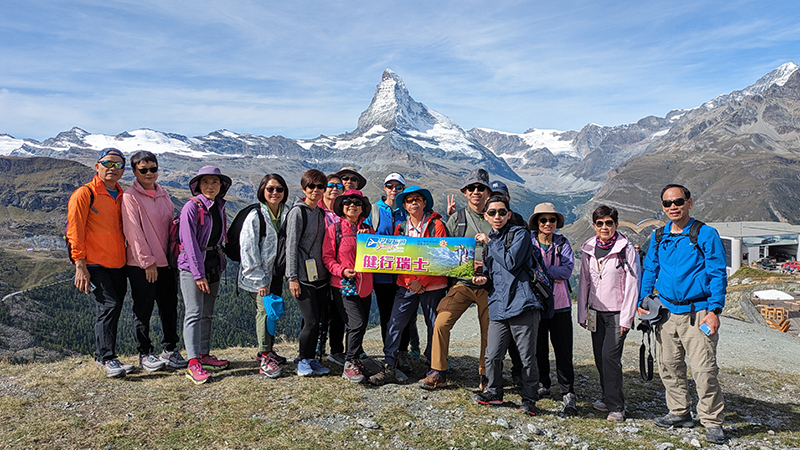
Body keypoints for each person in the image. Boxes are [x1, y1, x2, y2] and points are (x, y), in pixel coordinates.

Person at [638, 184, 728, 445]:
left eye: (678, 201)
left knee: (704, 370)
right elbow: (650, 269)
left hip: (698, 312)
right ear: (662, 207)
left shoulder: (706, 234)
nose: (673, 207)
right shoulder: (659, 236)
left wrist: (715, 310)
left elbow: (717, 273)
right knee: (669, 365)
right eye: (667, 203)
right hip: (666, 312)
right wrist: (643, 299)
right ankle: (679, 412)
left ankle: (712, 421)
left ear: (689, 202)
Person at [421, 168, 492, 391]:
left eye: (480, 188)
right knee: (441, 322)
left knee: (489, 329)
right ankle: (438, 371)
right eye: (471, 188)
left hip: (490, 285)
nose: (476, 191)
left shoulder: (496, 216)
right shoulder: (457, 219)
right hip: (462, 283)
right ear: (465, 192)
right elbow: (445, 250)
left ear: (488, 192)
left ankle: (486, 374)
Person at [472, 196, 544, 416]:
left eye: (502, 212)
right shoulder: (491, 243)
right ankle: (494, 392)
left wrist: (489, 242)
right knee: (492, 355)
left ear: (509, 214)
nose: (497, 216)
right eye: (492, 213)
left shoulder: (520, 234)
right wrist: (483, 280)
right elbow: (493, 274)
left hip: (522, 304)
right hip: (498, 305)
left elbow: (511, 262)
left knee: (527, 358)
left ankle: (529, 399)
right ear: (486, 216)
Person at [370, 186, 448, 385]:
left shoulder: (437, 225)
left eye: (418, 199)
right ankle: (389, 364)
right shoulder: (401, 228)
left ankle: (435, 367)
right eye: (409, 200)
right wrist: (409, 282)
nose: (414, 202)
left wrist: (420, 282)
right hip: (406, 285)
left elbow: (439, 257)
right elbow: (398, 258)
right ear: (404, 205)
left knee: (434, 326)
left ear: (424, 203)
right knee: (395, 322)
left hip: (433, 285)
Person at [67, 148, 133, 378]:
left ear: (123, 170)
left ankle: (107, 357)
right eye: (107, 163)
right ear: (97, 166)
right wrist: (80, 265)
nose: (112, 168)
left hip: (119, 263)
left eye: (118, 165)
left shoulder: (123, 195)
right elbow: (74, 231)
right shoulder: (85, 193)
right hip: (94, 264)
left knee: (113, 308)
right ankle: (105, 358)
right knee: (109, 306)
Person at [121, 151, 184, 373]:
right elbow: (133, 231)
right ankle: (145, 353)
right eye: (143, 169)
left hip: (166, 263)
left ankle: (169, 350)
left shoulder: (164, 194)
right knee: (143, 309)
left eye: (153, 169)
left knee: (169, 307)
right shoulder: (130, 196)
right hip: (142, 265)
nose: (149, 173)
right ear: (134, 171)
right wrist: (147, 261)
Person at [577, 205, 640, 421]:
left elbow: (633, 284)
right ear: (594, 226)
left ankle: (617, 407)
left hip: (617, 313)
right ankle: (606, 397)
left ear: (616, 224)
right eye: (600, 223)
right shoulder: (589, 249)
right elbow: (584, 281)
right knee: (599, 358)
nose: (604, 227)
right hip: (596, 313)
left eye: (609, 223)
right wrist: (582, 313)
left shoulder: (626, 249)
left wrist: (627, 318)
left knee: (610, 358)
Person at [178, 166, 232, 384]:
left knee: (207, 313)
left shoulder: (218, 206)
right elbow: (189, 243)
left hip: (213, 263)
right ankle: (193, 363)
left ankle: (204, 354)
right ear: (198, 186)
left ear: (221, 185)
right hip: (193, 267)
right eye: (206, 182)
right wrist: (198, 274)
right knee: (194, 312)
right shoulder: (191, 207)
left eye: (215, 182)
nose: (211, 186)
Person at [364, 173, 420, 360]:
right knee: (387, 315)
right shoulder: (374, 210)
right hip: (382, 275)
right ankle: (389, 353)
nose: (394, 190)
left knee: (406, 316)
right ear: (384, 188)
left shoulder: (407, 210)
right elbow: (364, 235)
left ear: (403, 189)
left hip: (405, 273)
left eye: (398, 187)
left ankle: (403, 352)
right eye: (390, 186)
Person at [528, 202, 577, 415]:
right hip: (537, 304)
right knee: (538, 348)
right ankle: (543, 383)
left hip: (560, 305)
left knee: (563, 350)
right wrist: (552, 272)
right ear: (537, 222)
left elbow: (567, 271)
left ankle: (567, 390)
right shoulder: (529, 241)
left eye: (552, 219)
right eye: (543, 220)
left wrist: (542, 271)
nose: (548, 223)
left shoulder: (562, 242)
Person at [238, 173, 289, 379]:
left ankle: (268, 350)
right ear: (262, 191)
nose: (275, 192)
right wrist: (259, 280)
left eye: (279, 189)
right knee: (265, 312)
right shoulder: (255, 216)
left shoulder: (286, 212)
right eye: (270, 189)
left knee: (272, 311)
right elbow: (248, 250)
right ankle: (265, 357)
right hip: (258, 277)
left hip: (276, 274)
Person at [322, 190, 374, 382]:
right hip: (343, 284)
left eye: (357, 203)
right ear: (342, 207)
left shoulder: (369, 230)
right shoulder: (334, 230)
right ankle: (350, 363)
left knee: (361, 324)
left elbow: (377, 256)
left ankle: (355, 359)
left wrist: (368, 240)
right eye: (347, 202)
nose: (352, 205)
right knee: (356, 323)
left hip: (365, 285)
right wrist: (341, 271)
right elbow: (327, 258)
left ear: (362, 208)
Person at [287, 169, 331, 377]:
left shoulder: (320, 213)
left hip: (320, 276)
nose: (316, 190)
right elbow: (291, 246)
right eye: (311, 186)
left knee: (316, 321)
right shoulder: (298, 212)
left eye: (320, 186)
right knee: (311, 321)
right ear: (304, 188)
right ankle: (302, 360)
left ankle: (311, 359)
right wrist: (292, 278)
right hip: (303, 278)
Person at [317, 173, 347, 364]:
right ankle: (314, 350)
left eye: (339, 186)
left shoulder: (344, 212)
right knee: (317, 311)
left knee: (338, 310)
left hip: (339, 269)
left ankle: (336, 350)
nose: (334, 189)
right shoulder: (315, 210)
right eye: (330, 185)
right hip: (318, 268)